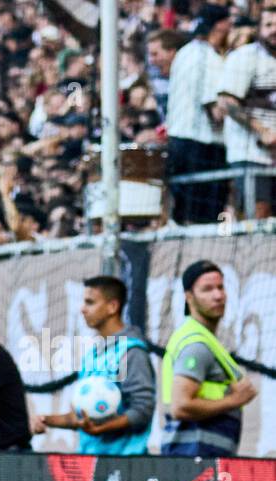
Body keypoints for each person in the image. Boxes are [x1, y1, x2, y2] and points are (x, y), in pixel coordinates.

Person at [32, 276, 156, 455]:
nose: (82, 309)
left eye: (90, 302)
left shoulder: (132, 351)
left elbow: (142, 410)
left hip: (126, 464)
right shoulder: (92, 354)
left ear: (112, 307)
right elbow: (80, 417)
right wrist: (45, 420)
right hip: (90, 461)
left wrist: (102, 428)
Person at [160, 260, 257, 456]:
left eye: (221, 287)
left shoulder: (205, 339)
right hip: (195, 460)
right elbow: (181, 406)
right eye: (207, 289)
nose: (218, 296)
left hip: (199, 459)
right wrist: (235, 400)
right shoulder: (196, 344)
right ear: (189, 297)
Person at [165, 6, 231, 224]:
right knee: (205, 218)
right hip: (203, 145)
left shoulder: (184, 52)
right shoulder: (208, 58)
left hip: (178, 140)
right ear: (221, 26)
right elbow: (215, 111)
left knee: (183, 213)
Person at [218, 4, 276, 218]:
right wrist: (263, 131)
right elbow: (227, 101)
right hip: (251, 152)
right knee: (259, 215)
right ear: (259, 28)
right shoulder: (244, 57)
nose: (273, 30)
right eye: (268, 25)